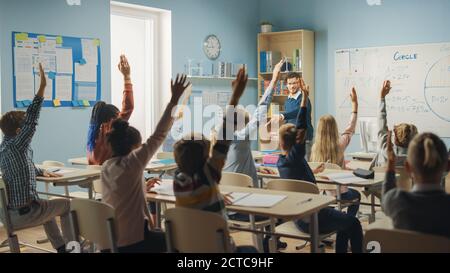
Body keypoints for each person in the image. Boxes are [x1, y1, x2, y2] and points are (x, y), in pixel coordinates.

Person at [100, 75, 191, 253]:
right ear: (134, 148)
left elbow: (121, 191)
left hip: (109, 242)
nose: (141, 148)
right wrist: (174, 99)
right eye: (139, 146)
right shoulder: (132, 162)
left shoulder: (106, 167)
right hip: (132, 244)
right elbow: (159, 134)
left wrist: (140, 185)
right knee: (178, 241)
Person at [172, 68, 257, 253]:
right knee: (252, 251)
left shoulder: (177, 181)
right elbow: (223, 139)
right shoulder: (208, 177)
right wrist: (235, 96)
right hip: (221, 251)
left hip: (190, 250)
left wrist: (215, 195)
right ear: (206, 158)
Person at [277, 84, 363, 253]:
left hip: (298, 216)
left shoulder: (282, 163)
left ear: (280, 143)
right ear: (298, 143)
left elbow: (301, 168)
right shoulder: (300, 156)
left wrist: (312, 171)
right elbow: (302, 127)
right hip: (315, 215)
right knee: (352, 223)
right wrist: (304, 99)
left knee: (343, 221)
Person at [0, 64, 71, 253]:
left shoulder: (5, 149)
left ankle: (62, 248)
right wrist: (42, 87)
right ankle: (75, 249)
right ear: (18, 132)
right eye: (24, 130)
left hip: (9, 215)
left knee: (45, 206)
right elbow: (32, 119)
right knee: (66, 205)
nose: (28, 132)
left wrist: (41, 171)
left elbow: (20, 168)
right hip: (26, 214)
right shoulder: (18, 144)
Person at [382, 131, 450, 238]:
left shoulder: (397, 201)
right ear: (447, 167)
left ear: (408, 168)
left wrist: (391, 162)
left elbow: (386, 196)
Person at [310, 87, 361, 217]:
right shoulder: (339, 145)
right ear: (334, 128)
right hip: (339, 194)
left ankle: (336, 217)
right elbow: (350, 129)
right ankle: (347, 220)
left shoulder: (315, 147)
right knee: (357, 195)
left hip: (321, 194)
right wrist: (355, 105)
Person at [87, 55, 134, 165]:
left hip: (99, 181)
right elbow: (128, 107)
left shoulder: (92, 136)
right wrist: (127, 76)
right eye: (118, 116)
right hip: (113, 179)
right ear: (113, 119)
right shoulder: (109, 130)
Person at [273, 73, 314, 160]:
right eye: (290, 84)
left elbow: (299, 112)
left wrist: (282, 115)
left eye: (294, 83)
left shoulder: (304, 98)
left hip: (304, 139)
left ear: (299, 83)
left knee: (305, 166)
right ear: (286, 85)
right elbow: (289, 121)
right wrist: (280, 132)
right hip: (291, 140)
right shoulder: (288, 100)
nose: (292, 86)